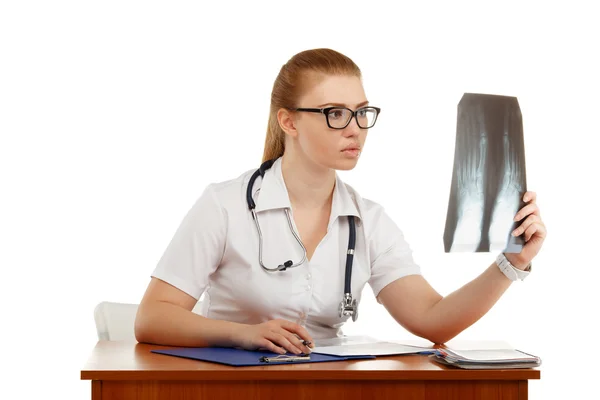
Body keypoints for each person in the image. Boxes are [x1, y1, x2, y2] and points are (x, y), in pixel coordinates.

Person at [134, 48, 547, 356]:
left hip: (329, 385)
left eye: (362, 113)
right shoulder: (224, 206)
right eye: (335, 113)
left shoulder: (368, 221)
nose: (355, 130)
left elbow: (433, 320)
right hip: (233, 386)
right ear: (288, 121)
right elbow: (151, 318)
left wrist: (513, 261)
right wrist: (242, 333)